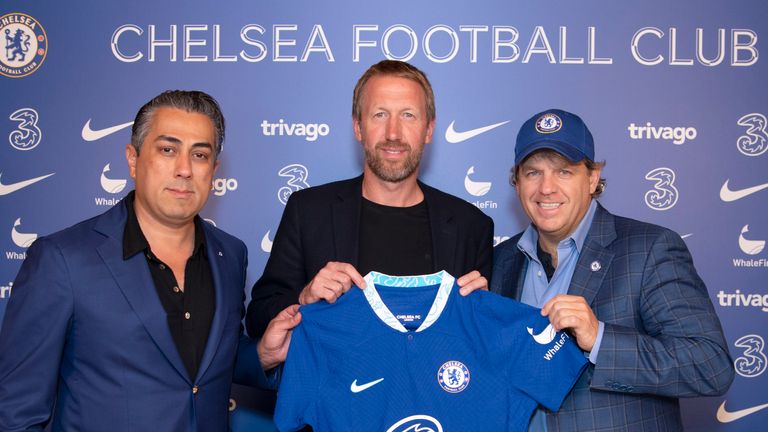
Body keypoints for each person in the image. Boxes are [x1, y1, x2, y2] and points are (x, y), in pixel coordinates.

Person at [0, 90, 300, 431]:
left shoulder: (230, 254)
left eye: (199, 154)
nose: (184, 169)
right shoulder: (62, 259)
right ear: (133, 159)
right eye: (168, 150)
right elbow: (16, 412)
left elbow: (203, 366)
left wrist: (262, 353)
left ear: (214, 169)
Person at [490, 108, 734, 431]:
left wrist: (600, 339)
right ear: (517, 181)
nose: (546, 188)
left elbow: (710, 365)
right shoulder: (500, 261)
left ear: (592, 178)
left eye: (563, 172)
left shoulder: (649, 248)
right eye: (533, 172)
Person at [247, 60, 493, 337]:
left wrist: (483, 315)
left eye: (408, 115)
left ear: (429, 129)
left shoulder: (471, 226)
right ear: (358, 127)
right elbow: (257, 319)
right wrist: (304, 298)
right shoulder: (308, 212)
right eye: (379, 114)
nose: (393, 134)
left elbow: (488, 344)